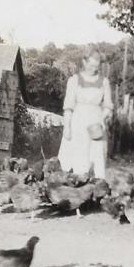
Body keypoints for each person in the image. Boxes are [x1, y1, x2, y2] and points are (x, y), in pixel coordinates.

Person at [58, 50, 114, 178]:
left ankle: (97, 187)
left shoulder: (104, 82)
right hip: (78, 121)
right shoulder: (74, 80)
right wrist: (67, 127)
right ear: (84, 62)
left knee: (97, 156)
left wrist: (102, 119)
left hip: (96, 122)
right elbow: (68, 107)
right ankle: (77, 186)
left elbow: (108, 105)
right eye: (91, 65)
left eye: (96, 66)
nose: (93, 69)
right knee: (79, 155)